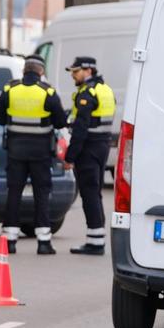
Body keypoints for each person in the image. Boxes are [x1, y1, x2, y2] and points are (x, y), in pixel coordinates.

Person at [0, 53, 67, 254]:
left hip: (16, 152)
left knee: (14, 193)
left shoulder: (10, 90)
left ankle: (10, 241)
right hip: (41, 153)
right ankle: (43, 242)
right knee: (41, 194)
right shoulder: (48, 93)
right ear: (41, 71)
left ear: (24, 70)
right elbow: (61, 122)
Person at [64, 56, 116, 255]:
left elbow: (81, 129)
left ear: (88, 71)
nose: (73, 76)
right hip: (102, 146)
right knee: (95, 192)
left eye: (75, 72)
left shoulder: (87, 93)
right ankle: (97, 238)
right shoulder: (106, 90)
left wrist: (70, 157)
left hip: (88, 148)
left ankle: (95, 242)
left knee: (89, 194)